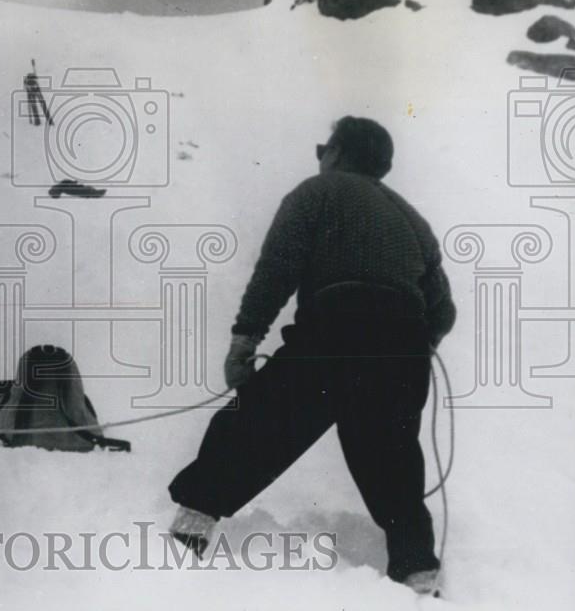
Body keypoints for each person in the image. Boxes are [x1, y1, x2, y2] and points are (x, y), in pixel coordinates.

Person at [167, 117, 456, 595]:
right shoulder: (412, 220)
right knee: (393, 460)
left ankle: (190, 530)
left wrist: (244, 340)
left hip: (336, 329)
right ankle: (417, 574)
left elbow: (277, 269)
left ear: (337, 153)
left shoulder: (318, 192)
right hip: (403, 347)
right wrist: (409, 348)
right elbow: (443, 311)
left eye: (325, 149)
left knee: (258, 422)